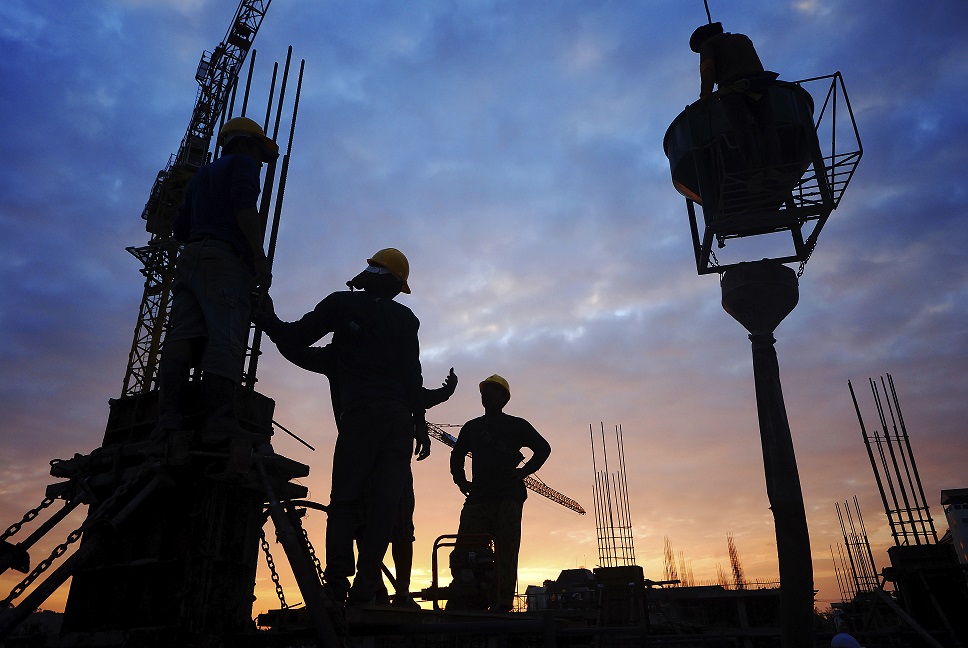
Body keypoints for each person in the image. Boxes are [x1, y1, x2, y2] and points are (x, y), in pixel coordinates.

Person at [255, 248, 428, 606]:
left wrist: (266, 318)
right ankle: (366, 587)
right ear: (395, 286)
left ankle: (336, 583)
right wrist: (421, 425)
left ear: (371, 274)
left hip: (362, 418)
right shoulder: (406, 320)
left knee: (345, 500)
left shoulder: (341, 305)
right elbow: (414, 378)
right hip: (399, 423)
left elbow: (298, 340)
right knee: (384, 507)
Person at [274, 338, 457, 608]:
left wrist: (272, 325)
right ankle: (377, 588)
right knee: (375, 521)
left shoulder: (356, 360)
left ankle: (389, 590)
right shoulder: (362, 359)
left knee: (383, 522)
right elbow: (292, 348)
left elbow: (292, 347)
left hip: (367, 453)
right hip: (376, 455)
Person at [155, 116, 277, 443]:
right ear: (247, 143)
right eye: (259, 153)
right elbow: (244, 208)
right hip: (223, 259)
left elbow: (180, 230)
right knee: (226, 336)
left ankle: (168, 419)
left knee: (181, 335)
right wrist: (258, 257)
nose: (260, 163)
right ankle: (218, 421)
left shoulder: (200, 176)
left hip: (191, 258)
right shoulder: (242, 166)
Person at [449, 374, 551, 612]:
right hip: (479, 496)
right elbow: (457, 454)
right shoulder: (472, 427)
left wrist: (523, 472)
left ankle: (502, 602)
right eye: (485, 391)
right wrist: (461, 481)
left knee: (506, 549)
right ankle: (468, 596)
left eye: (493, 392)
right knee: (465, 548)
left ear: (504, 398)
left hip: (508, 497)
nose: (487, 395)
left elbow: (543, 448)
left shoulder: (516, 425)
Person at [690, 22, 781, 171]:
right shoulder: (742, 38)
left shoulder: (707, 45)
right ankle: (777, 168)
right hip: (760, 86)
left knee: (742, 131)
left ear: (701, 41)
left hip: (733, 93)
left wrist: (705, 97)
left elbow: (708, 72)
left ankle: (754, 172)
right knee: (767, 128)